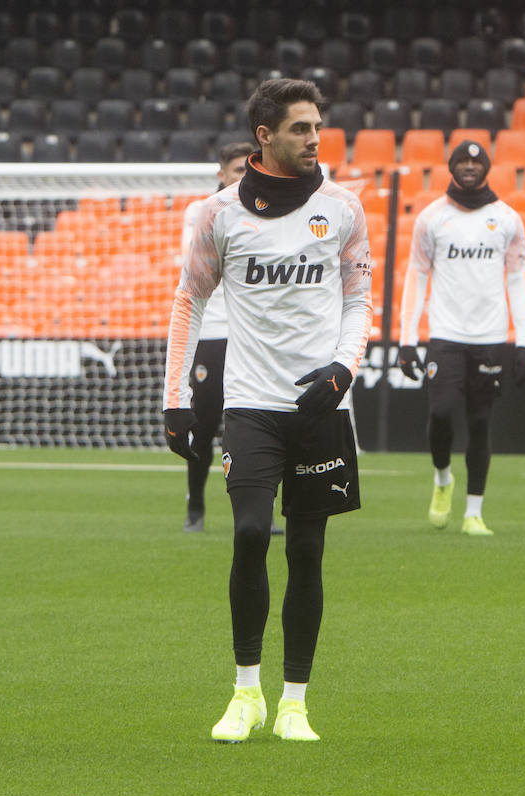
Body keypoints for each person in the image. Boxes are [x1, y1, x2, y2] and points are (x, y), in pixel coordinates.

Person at [162, 78, 372, 743]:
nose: (315, 139)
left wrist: (343, 369)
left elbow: (359, 299)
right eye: (302, 129)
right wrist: (174, 398)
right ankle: (245, 691)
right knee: (251, 533)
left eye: (318, 127)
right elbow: (188, 302)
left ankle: (295, 702)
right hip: (248, 405)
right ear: (266, 136)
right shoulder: (218, 214)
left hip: (319, 406)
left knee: (307, 551)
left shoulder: (342, 207)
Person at [396, 141, 525, 536]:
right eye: (462, 161)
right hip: (446, 335)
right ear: (452, 167)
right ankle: (442, 480)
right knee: (439, 415)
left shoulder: (506, 218)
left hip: (490, 335)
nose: (469, 167)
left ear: (486, 168)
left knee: (480, 421)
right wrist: (408, 339)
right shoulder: (432, 218)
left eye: (476, 161)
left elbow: (518, 279)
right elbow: (416, 276)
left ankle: (474, 512)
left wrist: (524, 341)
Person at [179, 140, 257, 533]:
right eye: (238, 170)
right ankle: (195, 504)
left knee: (255, 424)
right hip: (212, 332)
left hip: (252, 335)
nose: (244, 176)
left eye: (249, 168)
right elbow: (201, 273)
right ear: (221, 174)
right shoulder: (200, 212)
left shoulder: (268, 211)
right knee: (205, 424)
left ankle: (255, 511)